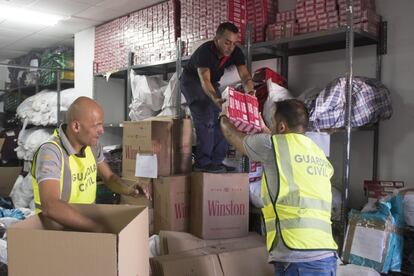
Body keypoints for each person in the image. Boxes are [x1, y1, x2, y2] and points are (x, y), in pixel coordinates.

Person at [219, 99, 338, 275]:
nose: (271, 127)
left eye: (272, 123)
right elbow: (279, 143)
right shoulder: (316, 152)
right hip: (326, 255)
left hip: (297, 257)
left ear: (281, 127)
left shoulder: (271, 146)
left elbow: (233, 136)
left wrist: (223, 116)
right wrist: (266, 131)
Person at [31, 96, 150, 232]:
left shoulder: (92, 146)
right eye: (96, 125)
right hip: (55, 231)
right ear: (76, 126)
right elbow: (50, 206)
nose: (102, 130)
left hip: (82, 225)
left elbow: (109, 178)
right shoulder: (51, 153)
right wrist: (96, 228)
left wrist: (129, 189)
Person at [181, 22, 255, 173]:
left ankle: (216, 162)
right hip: (192, 81)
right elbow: (204, 80)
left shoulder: (235, 52)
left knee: (223, 118)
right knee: (206, 117)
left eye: (234, 43)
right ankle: (203, 163)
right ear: (217, 39)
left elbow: (245, 75)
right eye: (227, 42)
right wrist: (215, 99)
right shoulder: (205, 52)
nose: (230, 47)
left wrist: (250, 92)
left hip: (211, 82)